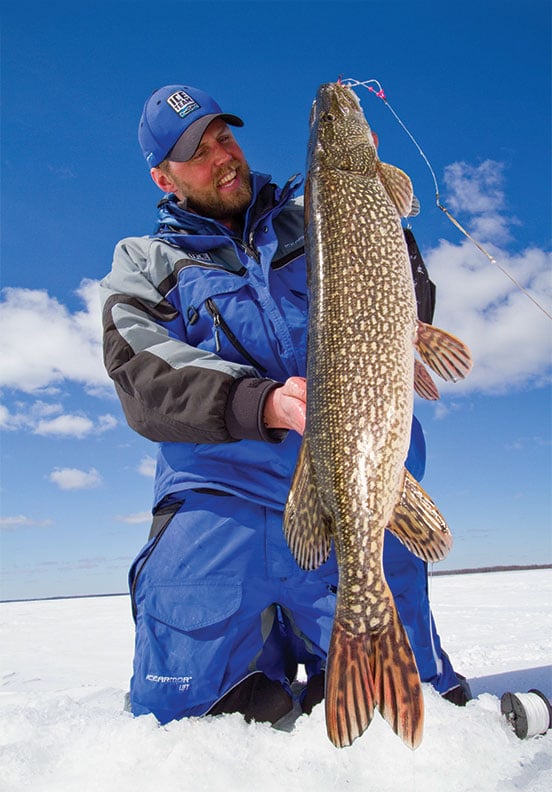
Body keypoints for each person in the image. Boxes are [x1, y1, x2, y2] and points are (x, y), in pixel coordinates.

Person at [100, 83, 470, 728]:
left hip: (361, 479)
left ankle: (361, 683)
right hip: (222, 498)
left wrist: (375, 202)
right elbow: (143, 376)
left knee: (414, 718)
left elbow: (405, 302)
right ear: (164, 178)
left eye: (224, 137)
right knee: (183, 725)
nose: (223, 156)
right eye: (198, 152)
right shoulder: (145, 261)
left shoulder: (313, 210)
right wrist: (261, 402)